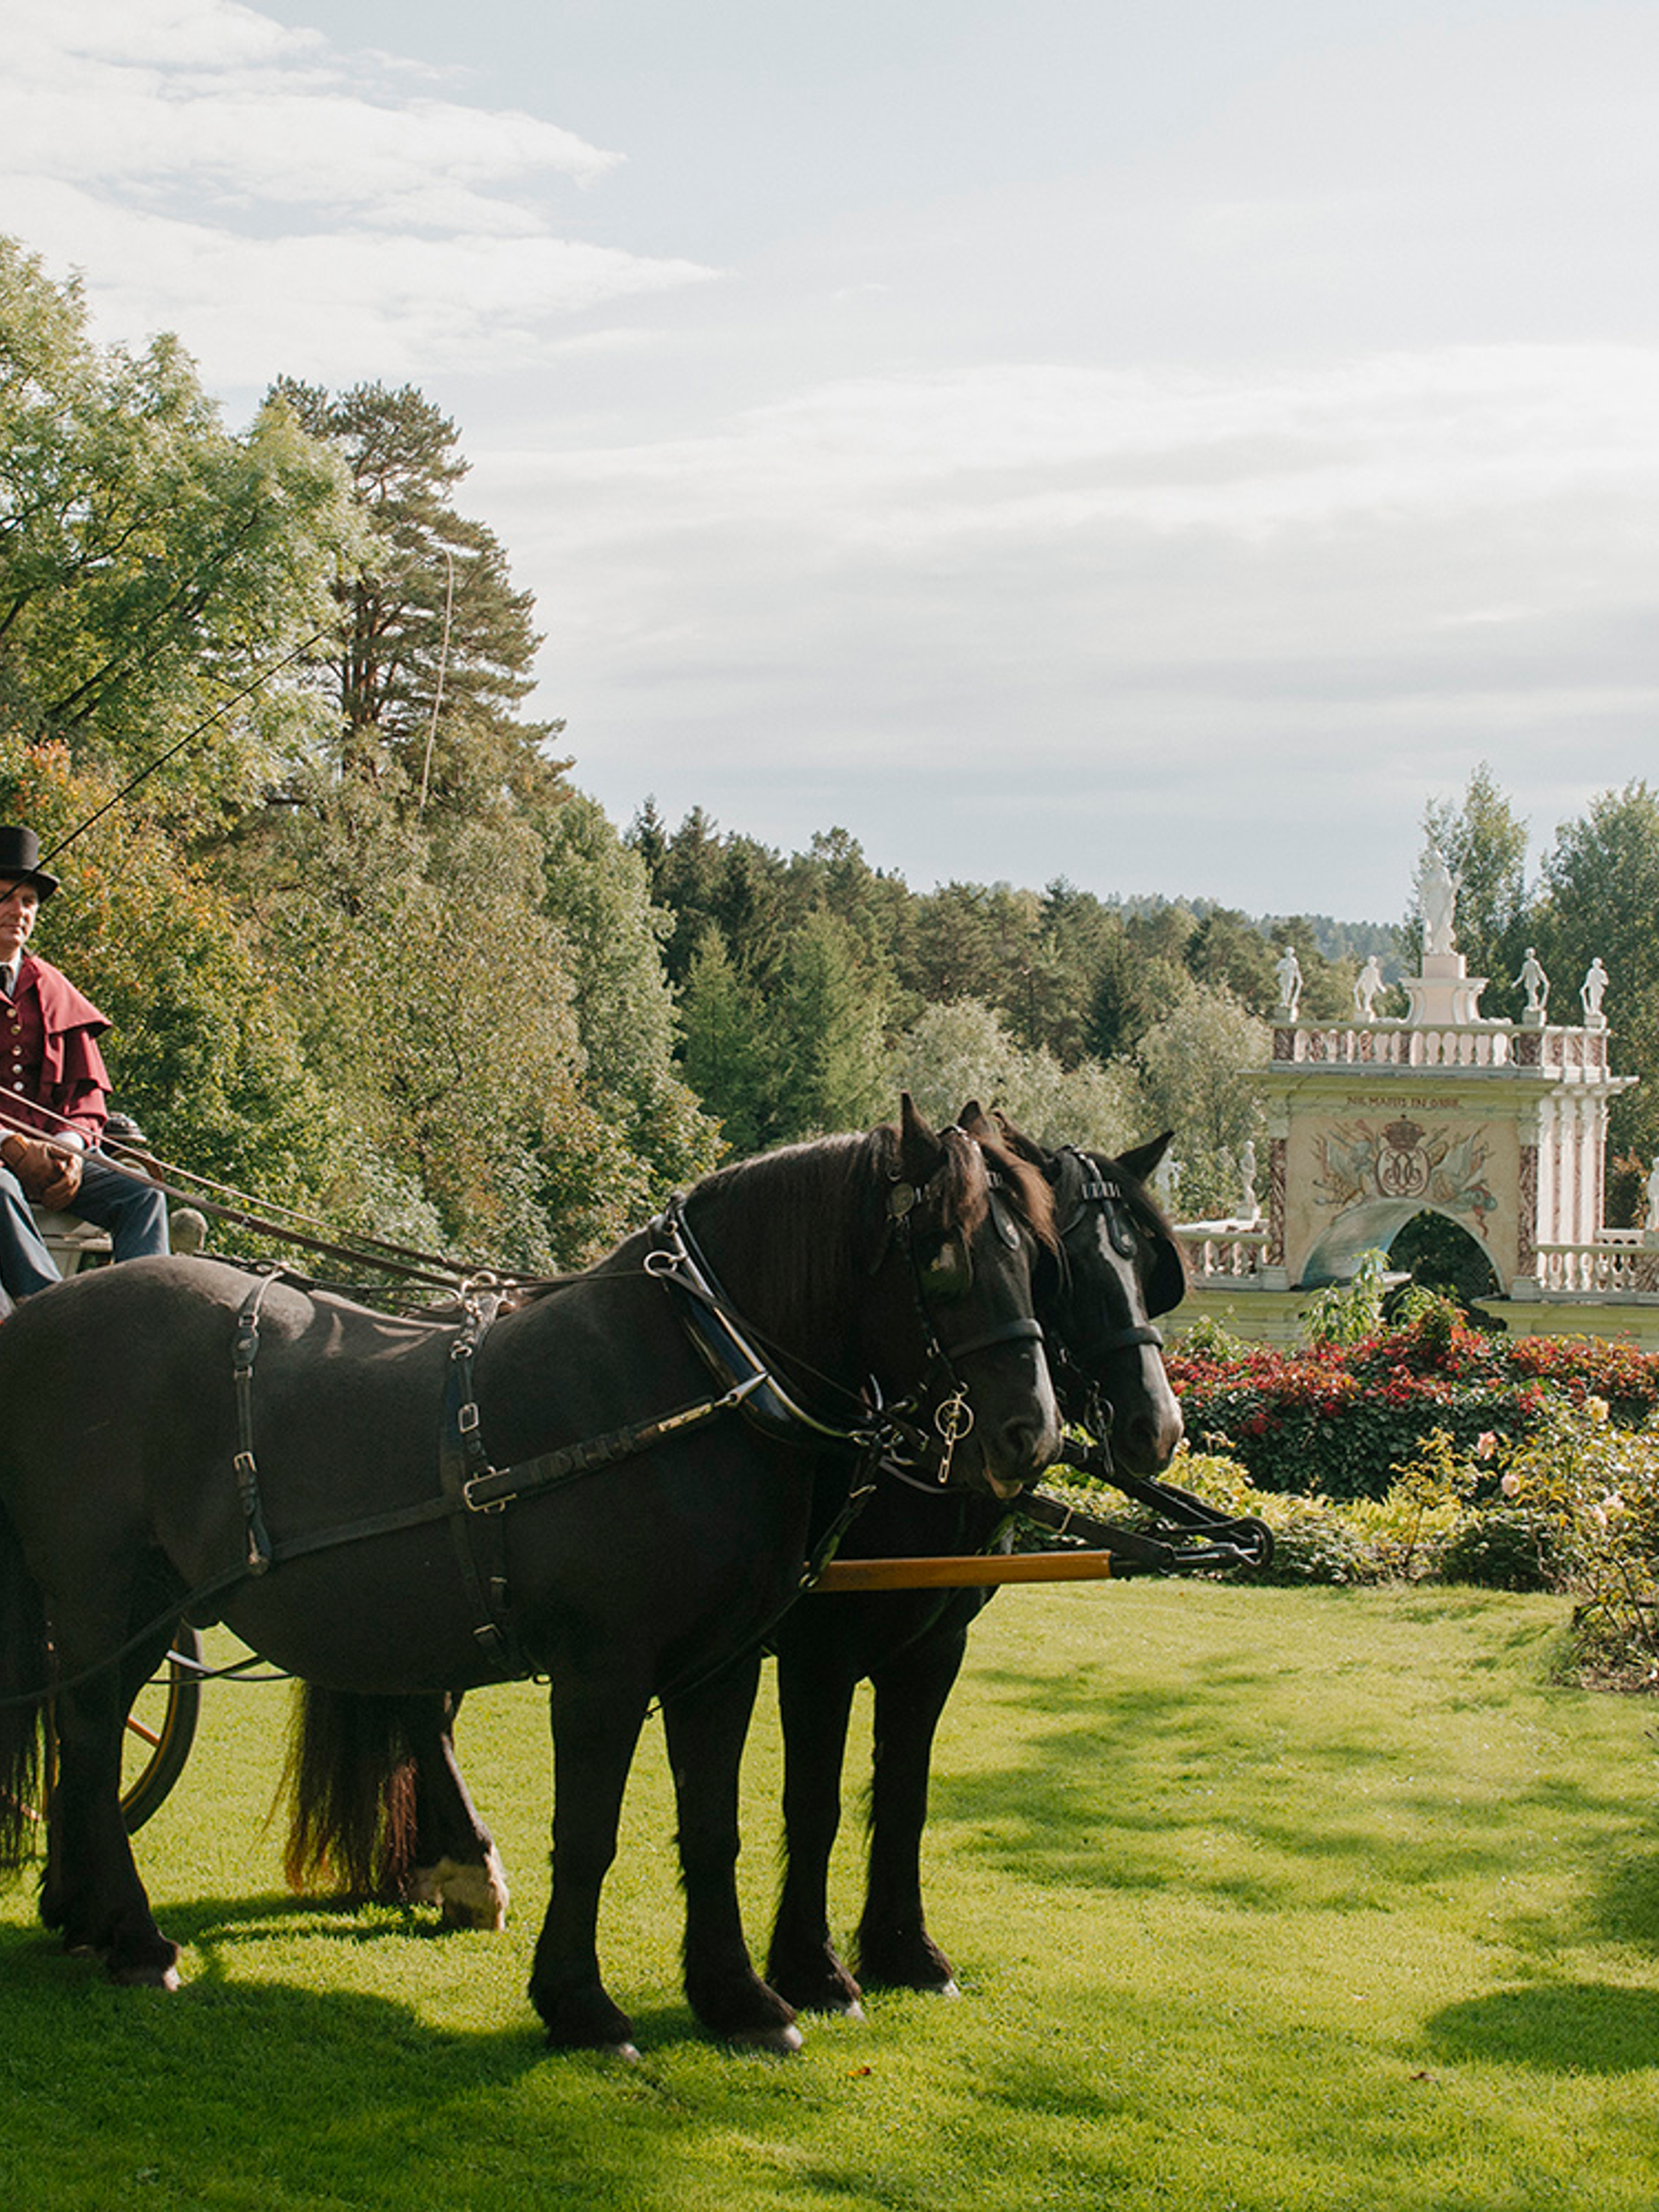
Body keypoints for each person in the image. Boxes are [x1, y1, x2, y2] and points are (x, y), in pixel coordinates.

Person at [0, 823, 169, 1306]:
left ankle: (147, 1311)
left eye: (28, 901)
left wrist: (72, 1148)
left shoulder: (53, 988)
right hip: (1, 1168)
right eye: (6, 898)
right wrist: (8, 1145)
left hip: (52, 1153)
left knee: (142, 1193)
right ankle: (51, 1314)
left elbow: (85, 1095)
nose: (19, 911)